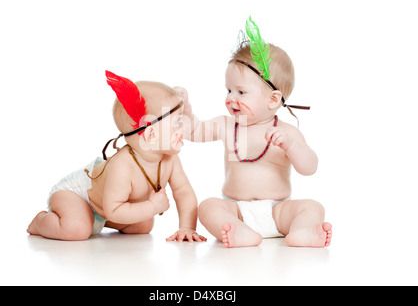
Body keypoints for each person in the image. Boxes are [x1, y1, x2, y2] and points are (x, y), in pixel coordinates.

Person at [177, 17, 331, 248]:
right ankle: (238, 231)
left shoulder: (287, 132)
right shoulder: (228, 125)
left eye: (241, 92)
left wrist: (291, 146)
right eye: (229, 90)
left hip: (279, 211)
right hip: (235, 208)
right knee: (208, 207)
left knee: (313, 207)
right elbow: (194, 131)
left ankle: (301, 232)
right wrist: (185, 108)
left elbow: (310, 167)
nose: (230, 98)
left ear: (273, 99)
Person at [27, 71, 206, 242]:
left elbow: (184, 193)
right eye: (177, 122)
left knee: (143, 225)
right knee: (77, 229)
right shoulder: (123, 165)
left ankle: (95, 221)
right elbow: (113, 209)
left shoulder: (170, 160)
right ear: (151, 135)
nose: (184, 127)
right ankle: (41, 222)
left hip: (105, 208)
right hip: (76, 195)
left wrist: (187, 228)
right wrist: (152, 206)